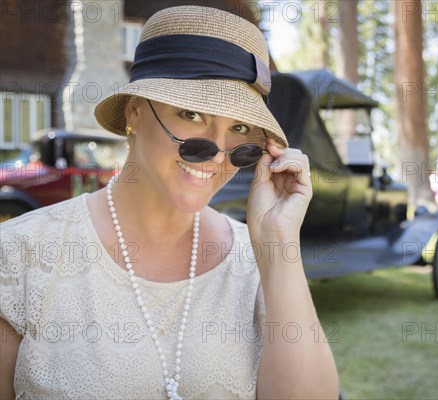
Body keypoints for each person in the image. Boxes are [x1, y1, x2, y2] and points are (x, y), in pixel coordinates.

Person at [0, 6, 339, 400]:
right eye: (192, 115)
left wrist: (279, 247)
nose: (217, 153)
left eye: (240, 128)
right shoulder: (21, 254)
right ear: (135, 113)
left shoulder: (257, 258)